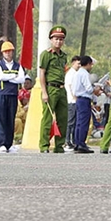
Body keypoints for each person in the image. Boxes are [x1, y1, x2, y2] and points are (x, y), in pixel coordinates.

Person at [39, 25, 69, 154]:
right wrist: (44, 92)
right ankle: (44, 145)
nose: (58, 42)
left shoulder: (64, 56)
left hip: (62, 89)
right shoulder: (46, 55)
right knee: (47, 118)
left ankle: (59, 145)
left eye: (61, 39)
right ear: (51, 40)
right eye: (56, 39)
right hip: (50, 88)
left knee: (62, 118)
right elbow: (41, 74)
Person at [0, 41, 25, 153]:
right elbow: (0, 76)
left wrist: (8, 77)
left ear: (12, 52)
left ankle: (9, 144)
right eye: (5, 51)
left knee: (10, 119)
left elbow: (21, 79)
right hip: (1, 94)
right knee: (1, 119)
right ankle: (2, 143)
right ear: (2, 53)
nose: (7, 53)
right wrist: (13, 76)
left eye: (9, 51)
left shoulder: (18, 66)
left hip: (12, 95)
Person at [71, 55, 100, 153]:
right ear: (87, 64)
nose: (91, 66)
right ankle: (82, 144)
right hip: (84, 99)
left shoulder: (77, 73)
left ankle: (77, 142)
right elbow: (88, 88)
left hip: (78, 99)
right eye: (91, 64)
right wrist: (95, 89)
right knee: (84, 122)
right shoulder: (84, 74)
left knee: (78, 122)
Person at [64, 55, 81, 149]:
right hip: (71, 101)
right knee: (70, 122)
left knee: (74, 122)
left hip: (75, 100)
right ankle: (67, 140)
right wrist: (74, 97)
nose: (79, 65)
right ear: (73, 62)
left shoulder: (76, 73)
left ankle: (73, 140)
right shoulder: (71, 73)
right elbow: (70, 86)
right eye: (78, 63)